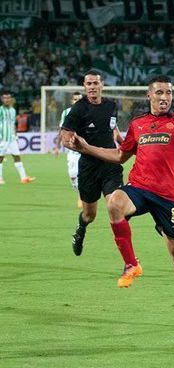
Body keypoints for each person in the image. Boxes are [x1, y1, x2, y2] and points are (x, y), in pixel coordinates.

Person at [64, 75, 174, 331]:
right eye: (159, 92)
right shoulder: (138, 124)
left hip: (168, 197)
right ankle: (131, 264)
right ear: (149, 95)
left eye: (168, 93)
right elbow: (119, 156)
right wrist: (86, 147)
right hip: (139, 188)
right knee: (114, 202)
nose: (164, 97)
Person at [60, 70, 124, 256]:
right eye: (89, 84)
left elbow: (114, 132)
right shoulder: (78, 109)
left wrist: (129, 146)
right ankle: (80, 231)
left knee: (116, 206)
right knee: (90, 215)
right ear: (85, 86)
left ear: (102, 85)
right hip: (89, 168)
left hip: (111, 165)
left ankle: (128, 258)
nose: (92, 87)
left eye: (95, 83)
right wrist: (84, 148)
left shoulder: (111, 106)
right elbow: (65, 139)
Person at [54, 92, 84, 208]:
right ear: (72, 101)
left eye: (79, 99)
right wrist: (57, 146)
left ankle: (82, 196)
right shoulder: (66, 112)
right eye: (75, 99)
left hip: (85, 148)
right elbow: (62, 130)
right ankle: (79, 191)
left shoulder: (87, 111)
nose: (77, 101)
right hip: (71, 149)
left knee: (83, 173)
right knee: (72, 174)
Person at [0, 91, 35, 185]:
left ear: (10, 99)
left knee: (17, 156)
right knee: (1, 158)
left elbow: (12, 125)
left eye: (8, 98)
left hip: (12, 138)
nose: (7, 100)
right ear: (2, 99)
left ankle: (23, 178)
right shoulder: (0, 110)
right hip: (2, 138)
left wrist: (15, 135)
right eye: (5, 98)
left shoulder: (13, 110)